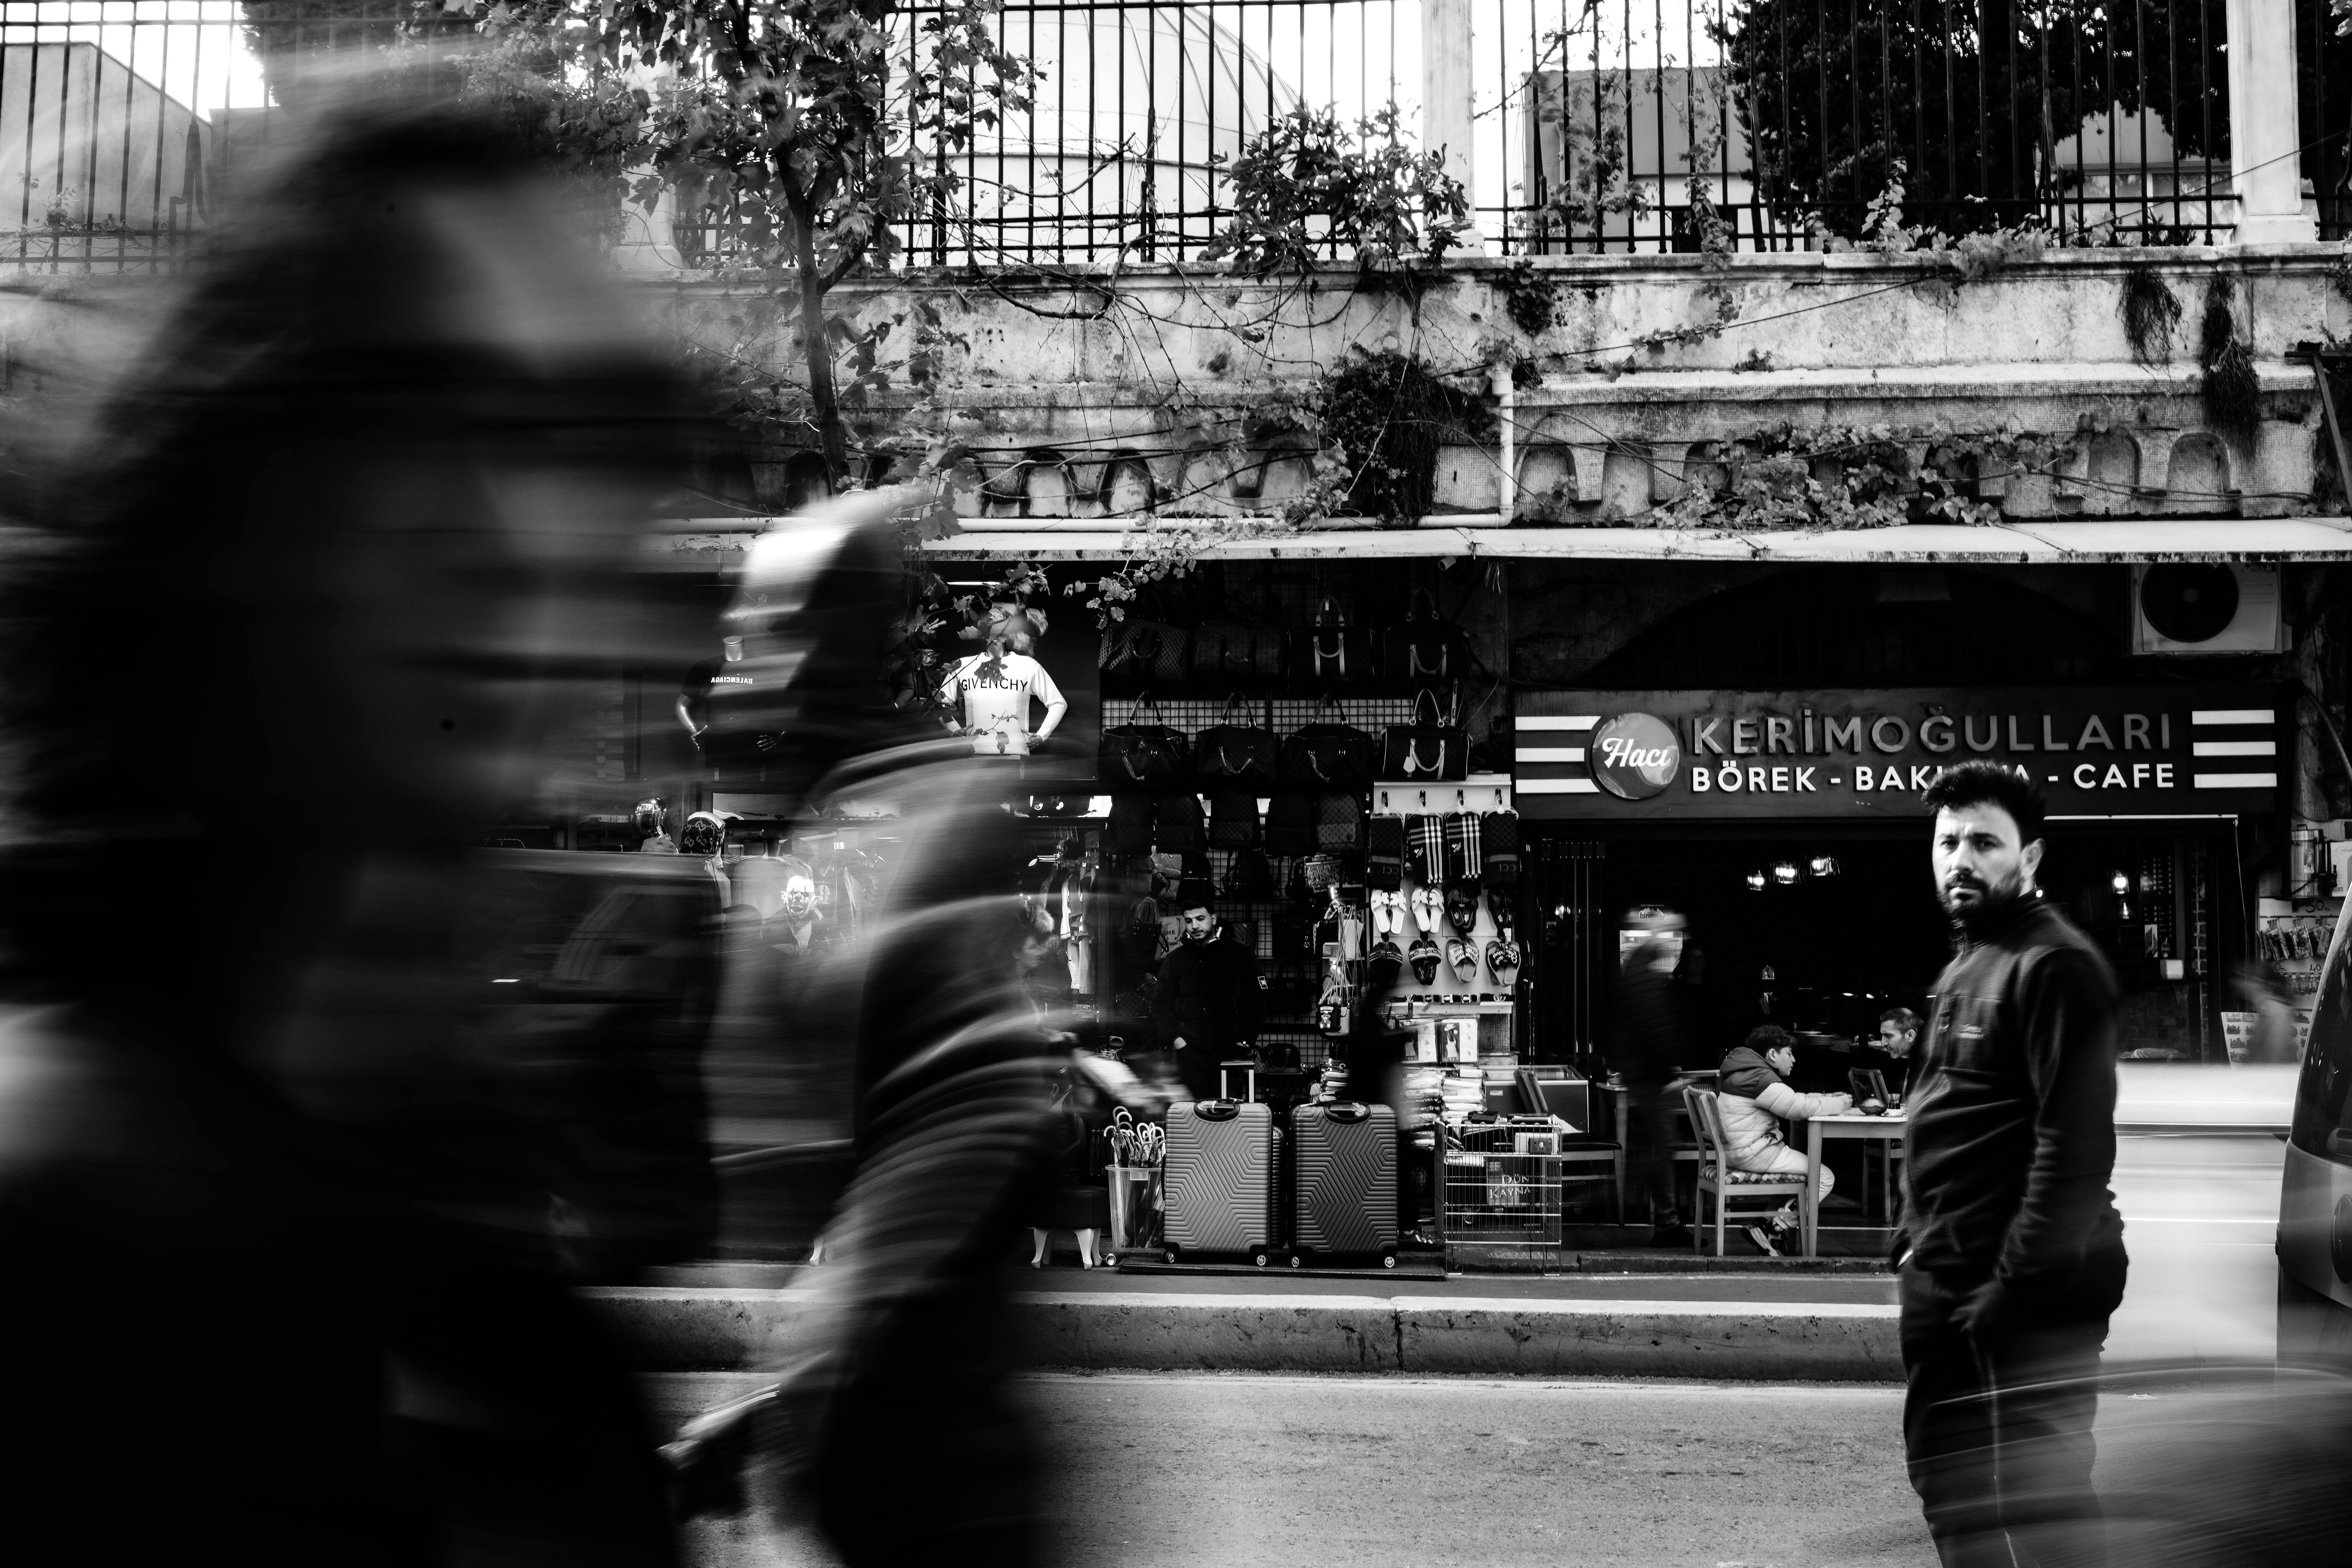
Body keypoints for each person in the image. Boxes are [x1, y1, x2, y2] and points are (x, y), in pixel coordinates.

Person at [1896, 761, 2128, 1568]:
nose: (1961, 857)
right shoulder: (1972, 958)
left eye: (1984, 841)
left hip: (2028, 1285)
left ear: (2028, 857)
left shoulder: (2054, 965)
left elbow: (2076, 1147)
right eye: (1948, 840)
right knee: (1952, 1488)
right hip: (1954, 1270)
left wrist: (2013, 1289)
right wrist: (1917, 1244)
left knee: (2045, 1503)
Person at [1716, 1024, 1853, 1256]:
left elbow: (1790, 1099)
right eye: (1789, 1053)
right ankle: (1775, 1225)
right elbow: (1798, 1108)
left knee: (1800, 1179)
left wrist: (1825, 1098)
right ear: (1772, 1055)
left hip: (1739, 1150)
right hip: (1755, 1153)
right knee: (1824, 1177)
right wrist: (1839, 1104)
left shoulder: (1745, 1071)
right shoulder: (1761, 1078)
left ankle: (1768, 1229)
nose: (1794, 1060)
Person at [1609, 914, 1695, 1249]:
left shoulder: (1635, 972)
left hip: (1640, 1074)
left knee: (1652, 1149)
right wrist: (1669, 1069)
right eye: (1671, 938)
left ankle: (1662, 1217)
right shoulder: (1647, 978)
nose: (1675, 946)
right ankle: (1667, 1222)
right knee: (1662, 1149)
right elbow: (1655, 1027)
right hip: (1652, 1077)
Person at [1151, 888, 1264, 1102]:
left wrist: (1245, 1042)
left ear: (1213, 918)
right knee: (1195, 1120)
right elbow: (1160, 1005)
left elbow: (1257, 1000)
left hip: (1231, 1053)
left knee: (1230, 1118)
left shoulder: (1239, 954)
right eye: (1189, 921)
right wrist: (1177, 1041)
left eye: (1201, 919)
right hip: (1191, 1054)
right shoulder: (1175, 960)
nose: (1195, 926)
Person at [935, 604, 1066, 758]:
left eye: (1001, 621)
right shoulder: (963, 666)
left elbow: (1058, 703)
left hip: (1015, 753)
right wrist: (954, 731)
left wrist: (1042, 736)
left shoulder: (1028, 666)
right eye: (991, 622)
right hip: (974, 753)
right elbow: (939, 703)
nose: (996, 629)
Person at [1863, 1006, 1923, 1101]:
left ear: (1910, 1036)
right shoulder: (1916, 1058)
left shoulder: (1925, 1063)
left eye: (1889, 1036)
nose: (1883, 1043)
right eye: (1883, 1036)